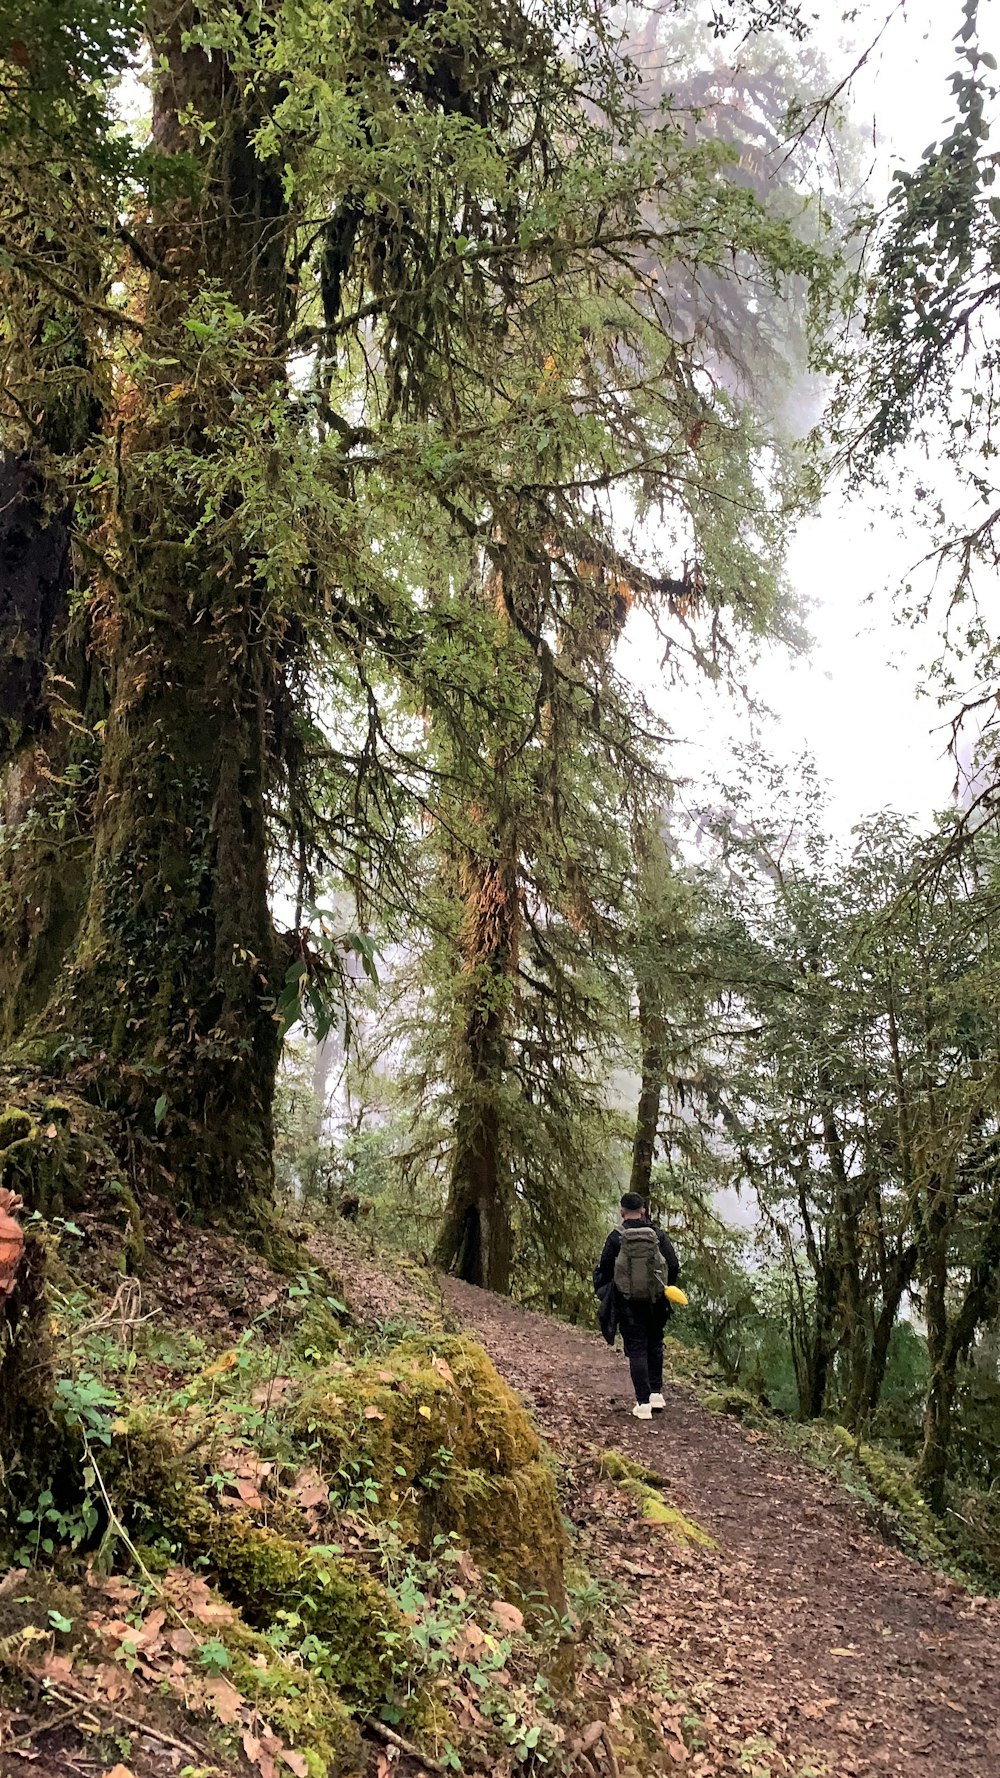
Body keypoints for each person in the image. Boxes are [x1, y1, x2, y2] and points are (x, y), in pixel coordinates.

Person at [593, 1192, 680, 1421]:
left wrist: (609, 1294)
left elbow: (604, 1269)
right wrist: (663, 1290)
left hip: (628, 1303)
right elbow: (673, 1265)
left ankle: (642, 1404)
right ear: (643, 1210)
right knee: (655, 1344)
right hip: (656, 1302)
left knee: (637, 1348)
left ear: (622, 1212)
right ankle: (656, 1394)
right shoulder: (658, 1235)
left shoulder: (616, 1237)